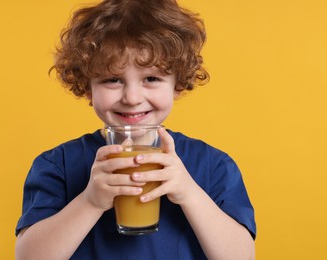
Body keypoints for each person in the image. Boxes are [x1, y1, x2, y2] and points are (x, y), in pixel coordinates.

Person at [15, 0, 256, 259]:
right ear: (88, 87)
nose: (132, 97)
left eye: (151, 78)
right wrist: (90, 201)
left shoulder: (212, 165)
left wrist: (189, 192)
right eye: (112, 79)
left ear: (178, 83)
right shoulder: (57, 165)